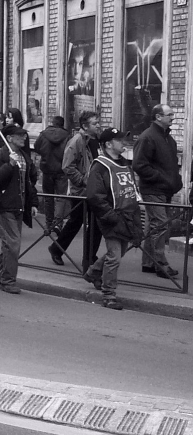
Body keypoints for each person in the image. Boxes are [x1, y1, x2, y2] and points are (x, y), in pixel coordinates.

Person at [85, 128, 143, 310]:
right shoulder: (100, 166)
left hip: (128, 214)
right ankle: (109, 294)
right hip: (112, 216)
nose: (124, 143)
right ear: (108, 144)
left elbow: (131, 186)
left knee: (120, 252)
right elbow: (94, 195)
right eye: (119, 140)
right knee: (114, 257)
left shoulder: (124, 163)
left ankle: (93, 272)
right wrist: (110, 215)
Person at [133, 104, 183, 279]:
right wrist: (162, 178)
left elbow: (170, 164)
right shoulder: (148, 137)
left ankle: (148, 263)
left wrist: (176, 180)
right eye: (169, 114)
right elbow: (139, 165)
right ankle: (161, 264)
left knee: (154, 224)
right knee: (160, 224)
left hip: (165, 189)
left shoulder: (168, 139)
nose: (173, 117)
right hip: (152, 188)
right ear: (158, 117)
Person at [48, 111, 101, 269]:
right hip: (81, 192)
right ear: (85, 126)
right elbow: (67, 166)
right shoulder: (77, 141)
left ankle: (88, 255)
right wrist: (83, 181)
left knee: (91, 223)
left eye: (98, 122)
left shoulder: (93, 140)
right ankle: (58, 249)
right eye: (94, 123)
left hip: (92, 190)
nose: (98, 125)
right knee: (76, 222)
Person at [0, 125, 38, 294]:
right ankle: (8, 280)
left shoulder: (24, 156)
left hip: (20, 205)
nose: (24, 138)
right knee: (13, 244)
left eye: (24, 135)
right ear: (9, 138)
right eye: (19, 135)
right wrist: (9, 165)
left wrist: (33, 203)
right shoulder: (1, 155)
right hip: (6, 205)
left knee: (9, 244)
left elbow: (29, 182)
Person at [34, 116, 70, 233]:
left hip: (47, 169)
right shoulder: (67, 135)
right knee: (61, 197)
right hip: (61, 169)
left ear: (52, 123)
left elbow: (36, 147)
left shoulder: (44, 134)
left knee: (48, 197)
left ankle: (48, 224)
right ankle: (58, 223)